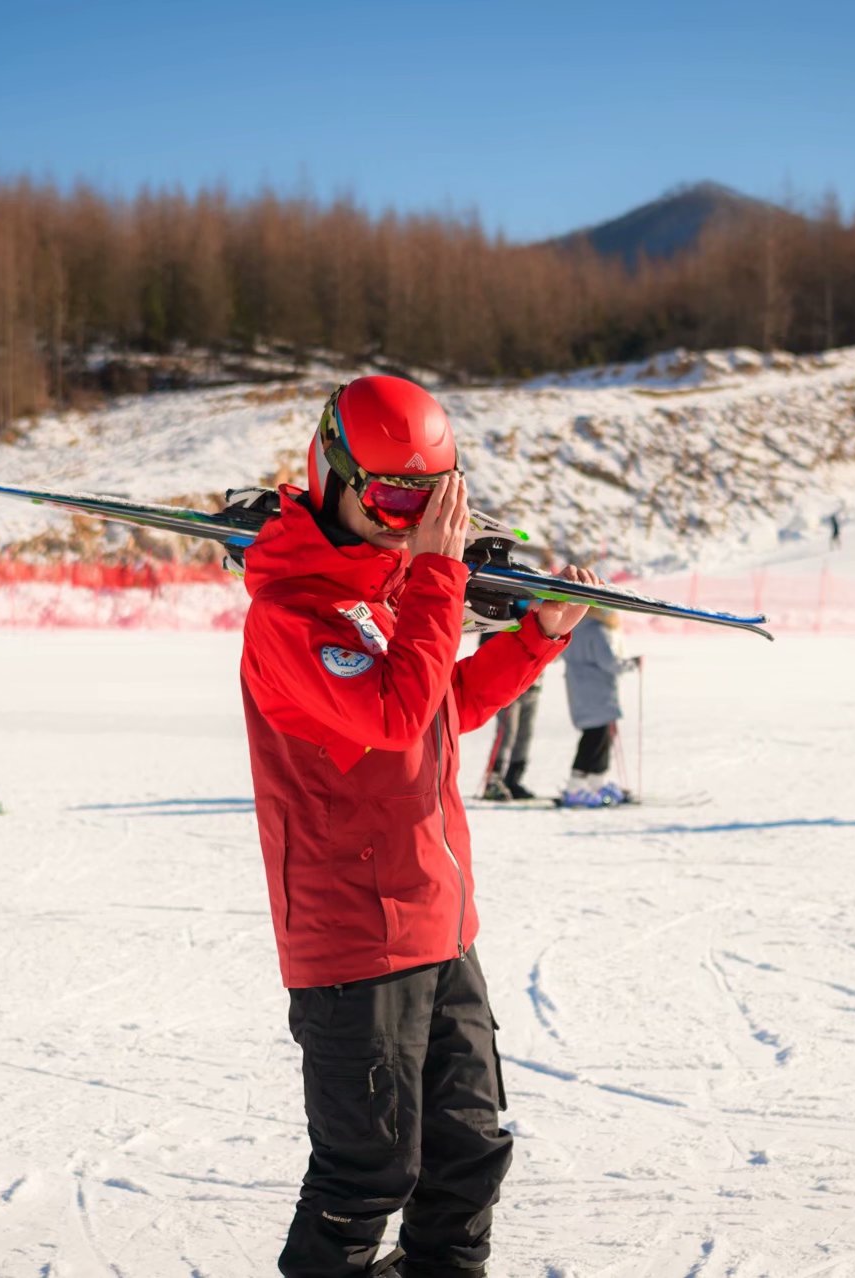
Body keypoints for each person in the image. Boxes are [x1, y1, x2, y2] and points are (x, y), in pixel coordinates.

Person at [238, 375, 596, 1277]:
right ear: (330, 470)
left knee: (468, 1158)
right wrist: (438, 573)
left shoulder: (394, 590)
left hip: (440, 923)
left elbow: (440, 706)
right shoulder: (291, 618)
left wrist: (535, 637)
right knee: (369, 1173)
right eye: (394, 498)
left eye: (430, 502)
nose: (408, 523)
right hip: (354, 938)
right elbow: (395, 714)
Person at [560, 610, 639, 807]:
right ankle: (576, 786)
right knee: (596, 737)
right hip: (598, 692)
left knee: (598, 735)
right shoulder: (596, 631)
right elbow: (609, 662)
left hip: (579, 689)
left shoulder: (573, 628)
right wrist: (631, 664)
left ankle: (595, 782)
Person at [478, 603, 545, 801]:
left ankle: (513, 780)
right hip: (510, 687)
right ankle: (493, 781)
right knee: (507, 734)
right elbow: (489, 647)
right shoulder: (505, 616)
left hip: (533, 686)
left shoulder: (538, 618)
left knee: (525, 735)